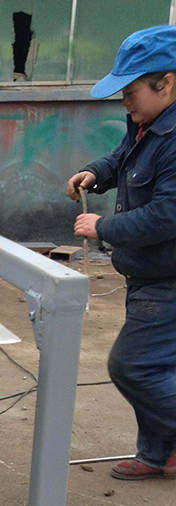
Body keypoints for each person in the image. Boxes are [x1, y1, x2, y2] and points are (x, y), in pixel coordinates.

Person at [67, 24, 176, 480]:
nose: (125, 103)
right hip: (146, 273)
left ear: (165, 83)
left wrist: (103, 227)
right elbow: (121, 157)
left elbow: (167, 215)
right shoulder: (146, 123)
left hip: (168, 279)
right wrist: (95, 173)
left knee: (132, 366)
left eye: (131, 93)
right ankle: (157, 454)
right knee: (159, 365)